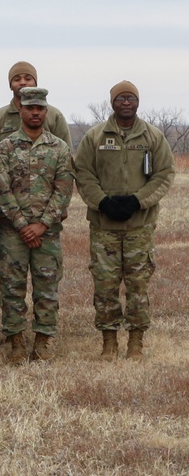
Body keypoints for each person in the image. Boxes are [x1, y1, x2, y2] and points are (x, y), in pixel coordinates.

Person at [74, 80, 174, 360]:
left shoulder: (152, 137)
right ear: (112, 103)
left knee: (138, 285)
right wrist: (102, 202)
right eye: (120, 99)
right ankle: (108, 341)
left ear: (138, 102)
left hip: (139, 227)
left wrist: (137, 201)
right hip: (104, 226)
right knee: (105, 285)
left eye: (131, 98)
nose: (126, 103)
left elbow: (164, 174)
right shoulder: (95, 137)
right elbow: (83, 173)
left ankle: (136, 342)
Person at [0, 88, 74, 363]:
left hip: (47, 233)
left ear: (46, 112)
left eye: (40, 108)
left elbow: (63, 191)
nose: (35, 113)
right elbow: (1, 189)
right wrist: (21, 224)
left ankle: (43, 340)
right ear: (21, 110)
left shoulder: (59, 148)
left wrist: (42, 225)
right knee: (12, 287)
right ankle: (15, 340)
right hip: (12, 233)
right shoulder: (4, 148)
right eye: (30, 108)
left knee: (47, 287)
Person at [0, 61, 72, 155]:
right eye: (17, 79)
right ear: (11, 86)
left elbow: (66, 153)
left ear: (35, 83)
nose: (22, 82)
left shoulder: (54, 115)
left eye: (28, 79)